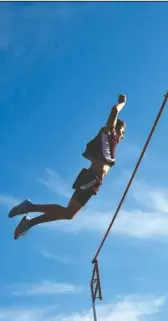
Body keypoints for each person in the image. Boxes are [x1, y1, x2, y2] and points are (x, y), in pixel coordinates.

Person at [8, 94, 127, 240]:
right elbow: (114, 111)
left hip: (94, 182)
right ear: (117, 129)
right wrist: (121, 103)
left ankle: (29, 221)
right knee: (68, 213)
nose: (122, 137)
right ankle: (29, 208)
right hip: (91, 177)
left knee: (69, 214)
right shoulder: (109, 134)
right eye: (123, 132)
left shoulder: (111, 146)